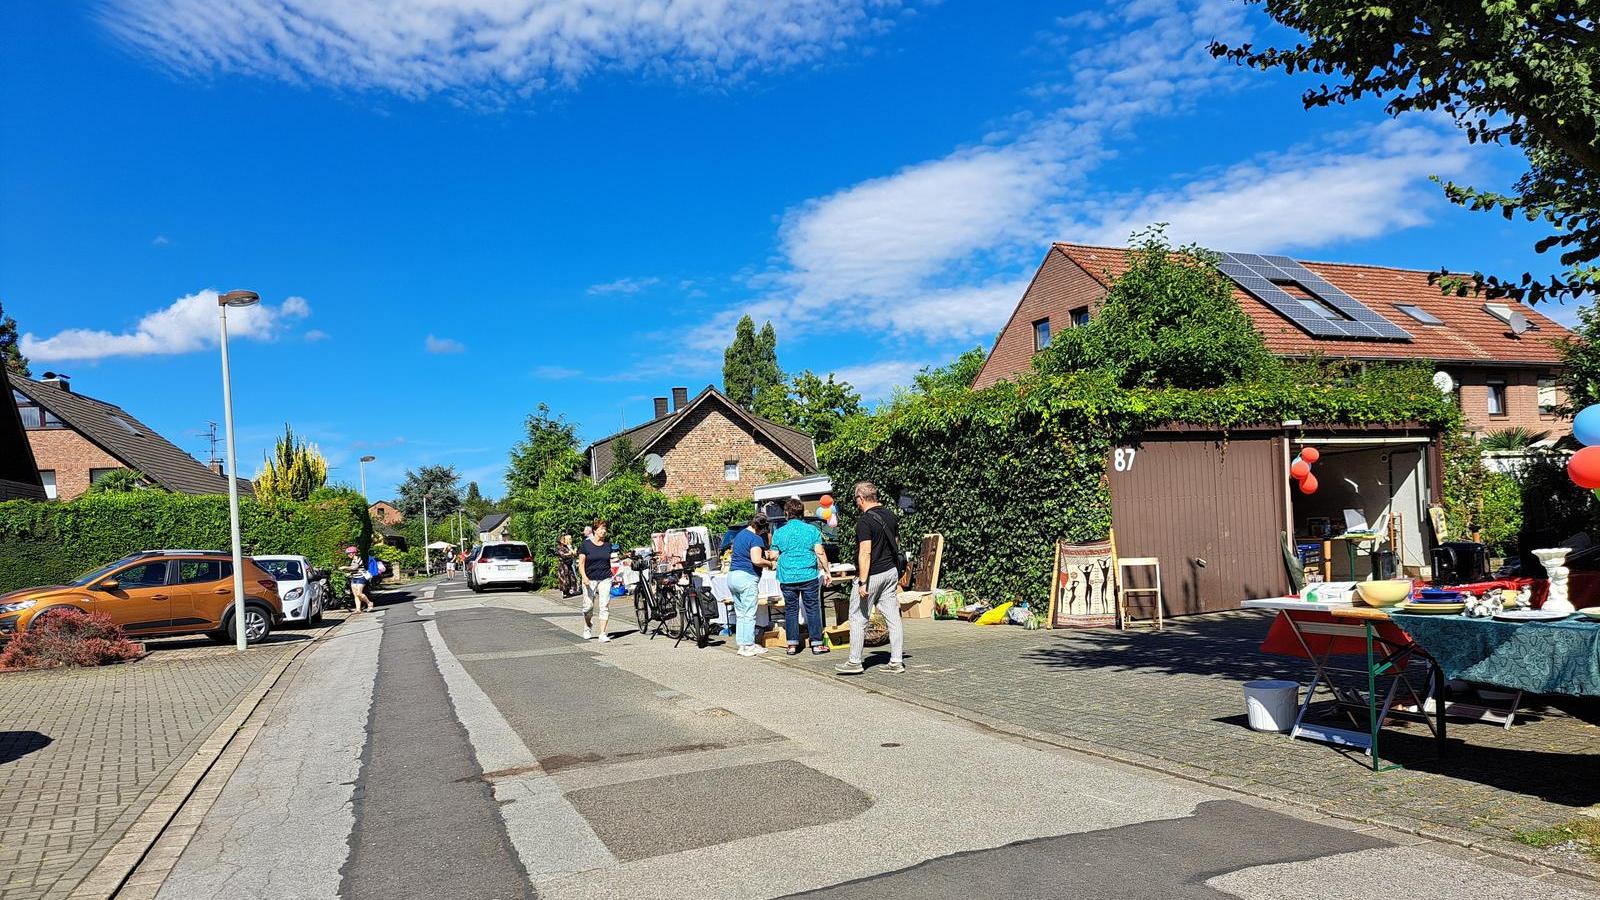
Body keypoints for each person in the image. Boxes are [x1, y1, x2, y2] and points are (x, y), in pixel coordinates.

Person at [836, 481, 904, 675]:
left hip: (871, 574)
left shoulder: (865, 521)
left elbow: (865, 552)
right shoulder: (890, 515)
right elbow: (895, 543)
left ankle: (854, 661)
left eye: (856, 499)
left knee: (858, 617)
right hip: (890, 571)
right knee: (893, 618)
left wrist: (862, 581)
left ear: (861, 498)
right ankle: (896, 661)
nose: (856, 503)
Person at [773, 498, 830, 655]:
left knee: (791, 610)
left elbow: (774, 554)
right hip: (808, 574)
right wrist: (827, 571)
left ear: (786, 513)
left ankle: (792, 645)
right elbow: (820, 552)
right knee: (812, 608)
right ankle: (817, 644)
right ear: (802, 513)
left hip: (787, 576)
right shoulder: (812, 530)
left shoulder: (779, 532)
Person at [728, 514, 776, 656]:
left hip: (732, 576)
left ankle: (742, 644)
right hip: (746, 577)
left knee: (741, 613)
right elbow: (756, 560)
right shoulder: (755, 538)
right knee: (749, 613)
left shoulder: (740, 534)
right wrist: (770, 563)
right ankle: (749, 645)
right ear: (761, 527)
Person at [578, 520, 615, 642]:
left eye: (605, 529)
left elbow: (613, 560)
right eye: (601, 529)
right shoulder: (586, 545)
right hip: (590, 579)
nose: (603, 531)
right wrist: (584, 577)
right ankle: (588, 625)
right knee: (588, 607)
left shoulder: (608, 545)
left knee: (604, 605)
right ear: (595, 530)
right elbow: (581, 564)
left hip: (605, 578)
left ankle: (603, 633)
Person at [344, 546, 374, 613]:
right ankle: (358, 609)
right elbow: (353, 570)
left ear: (353, 553)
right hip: (354, 578)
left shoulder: (358, 559)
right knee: (355, 595)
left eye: (349, 553)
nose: (348, 555)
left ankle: (369, 603)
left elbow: (354, 568)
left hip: (361, 578)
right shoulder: (353, 560)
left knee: (359, 593)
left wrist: (344, 567)